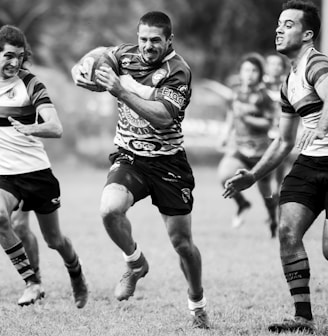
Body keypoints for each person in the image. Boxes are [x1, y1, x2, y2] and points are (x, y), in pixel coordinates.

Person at [72, 11, 209, 329]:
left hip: (168, 163)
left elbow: (163, 117)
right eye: (143, 39)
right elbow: (101, 54)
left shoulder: (178, 72)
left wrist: (121, 91)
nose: (147, 46)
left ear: (169, 40)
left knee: (182, 244)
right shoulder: (125, 55)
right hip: (130, 156)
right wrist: (82, 67)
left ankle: (197, 301)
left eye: (155, 41)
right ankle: (135, 264)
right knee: (109, 210)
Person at [223, 0, 326, 333]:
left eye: (289, 24)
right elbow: (283, 142)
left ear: (308, 34)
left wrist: (322, 126)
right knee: (287, 232)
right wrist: (253, 175)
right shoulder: (287, 84)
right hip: (310, 164)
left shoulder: (316, 64)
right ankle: (303, 318)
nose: (279, 29)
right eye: (278, 24)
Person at [0, 24, 88, 308]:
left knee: (54, 239)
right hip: (5, 176)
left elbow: (56, 127)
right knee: (2, 218)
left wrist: (30, 129)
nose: (13, 62)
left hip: (36, 173)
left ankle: (75, 271)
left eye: (18, 56)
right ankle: (32, 282)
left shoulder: (30, 83)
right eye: (7, 55)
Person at [217, 52, 278, 237]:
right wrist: (225, 134)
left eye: (253, 70)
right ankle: (243, 204)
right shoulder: (235, 93)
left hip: (261, 152)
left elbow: (268, 124)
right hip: (239, 148)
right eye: (246, 70)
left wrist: (247, 118)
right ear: (240, 73)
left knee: (266, 193)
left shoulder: (264, 97)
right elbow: (231, 115)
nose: (249, 74)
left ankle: (273, 219)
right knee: (224, 175)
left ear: (260, 74)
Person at [264, 52, 297, 196]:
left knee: (280, 163)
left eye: (278, 64)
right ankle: (267, 196)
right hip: (263, 132)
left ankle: (277, 191)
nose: (275, 67)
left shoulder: (289, 83)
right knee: (264, 167)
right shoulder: (259, 85)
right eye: (272, 64)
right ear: (266, 67)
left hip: (282, 131)